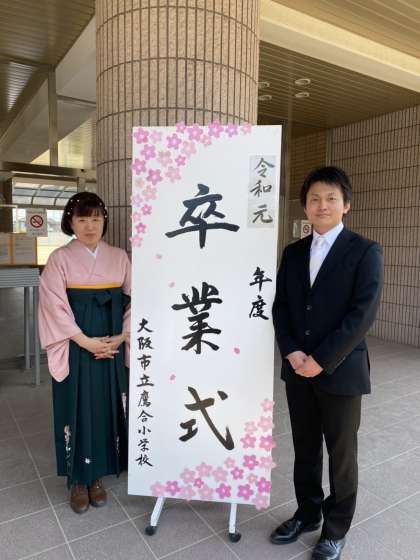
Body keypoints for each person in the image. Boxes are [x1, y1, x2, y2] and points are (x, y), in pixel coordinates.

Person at [269, 167, 383, 559]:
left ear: (346, 204)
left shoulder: (365, 251)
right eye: (314, 199)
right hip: (297, 369)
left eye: (331, 198)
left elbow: (362, 315)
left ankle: (335, 530)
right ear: (305, 205)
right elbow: (281, 306)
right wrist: (290, 350)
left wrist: (321, 359)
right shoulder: (293, 252)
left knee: (341, 454)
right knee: (304, 448)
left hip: (341, 371)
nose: (322, 205)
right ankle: (307, 513)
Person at [39, 192, 131, 514]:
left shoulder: (119, 257)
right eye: (82, 219)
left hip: (111, 346)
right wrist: (85, 341)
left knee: (106, 407)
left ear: (104, 220)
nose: (90, 226)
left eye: (96, 218)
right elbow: (53, 306)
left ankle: (98, 476)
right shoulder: (59, 259)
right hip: (76, 346)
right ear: (70, 222)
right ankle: (78, 479)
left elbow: (135, 298)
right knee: (74, 407)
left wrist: (122, 336)